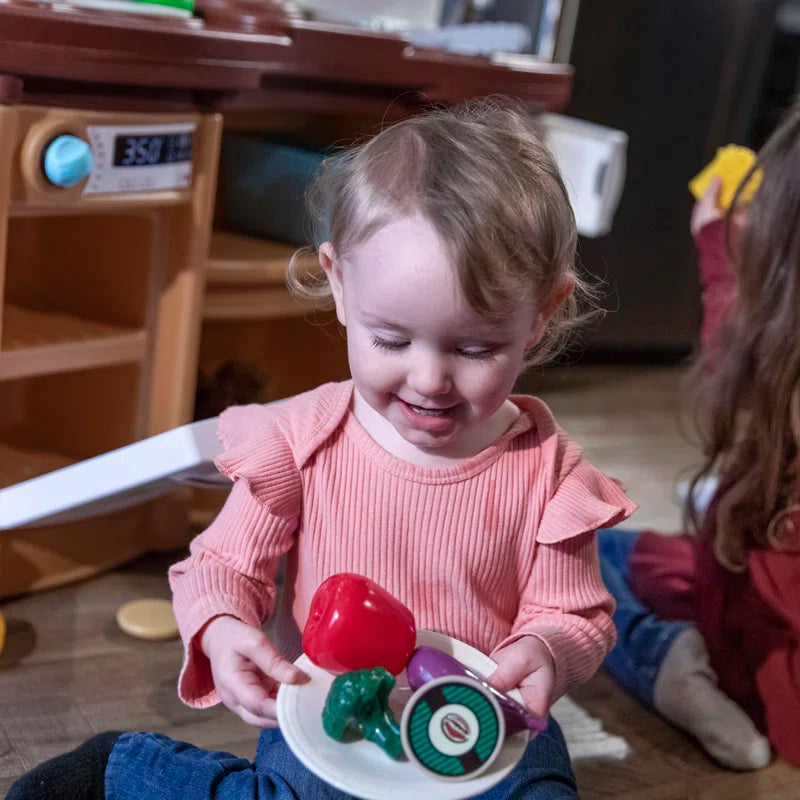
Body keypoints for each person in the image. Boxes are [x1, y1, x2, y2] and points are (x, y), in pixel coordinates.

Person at [6, 100, 635, 800]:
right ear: (339, 285)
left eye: (475, 347)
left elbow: (572, 613)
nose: (428, 379)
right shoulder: (304, 442)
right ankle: (125, 771)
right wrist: (221, 630)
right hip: (333, 711)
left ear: (542, 314)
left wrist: (546, 649)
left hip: (481, 719)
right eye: (391, 339)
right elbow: (221, 566)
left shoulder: (552, 476)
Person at [598, 98, 800, 772]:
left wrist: (720, 243)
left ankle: (661, 660)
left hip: (757, 679)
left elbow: (740, 355)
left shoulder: (773, 369)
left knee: (575, 549)